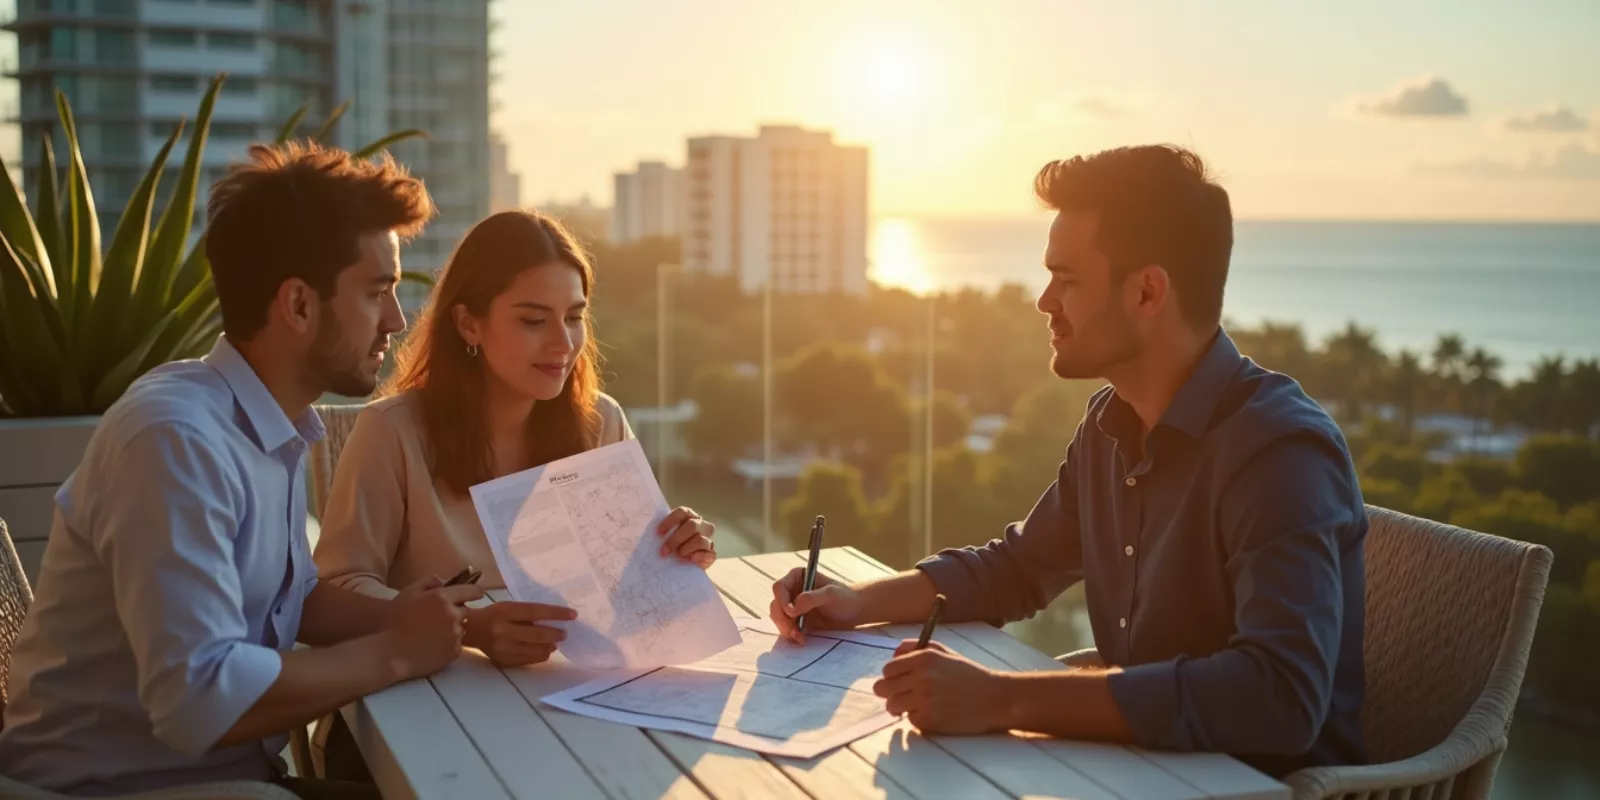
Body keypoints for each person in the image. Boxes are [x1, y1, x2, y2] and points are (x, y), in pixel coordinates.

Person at [770, 145, 1367, 778]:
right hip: (1130, 771)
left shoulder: (1278, 452)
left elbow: (1279, 699)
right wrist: (857, 601)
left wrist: (1003, 698)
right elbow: (1020, 569)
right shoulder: (1111, 423)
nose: (1044, 301)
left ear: (1146, 291)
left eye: (1068, 278)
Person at [0, 142, 482, 799]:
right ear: (299, 305)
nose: (397, 322)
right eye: (378, 293)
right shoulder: (175, 441)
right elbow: (198, 699)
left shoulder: (268, 426)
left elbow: (293, 600)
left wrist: (447, 624)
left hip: (224, 780)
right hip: (114, 791)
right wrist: (396, 651)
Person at [313, 209, 718, 671]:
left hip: (569, 690)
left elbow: (629, 584)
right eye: (533, 321)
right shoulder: (392, 431)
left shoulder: (600, 421)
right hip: (429, 697)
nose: (563, 343)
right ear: (469, 324)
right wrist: (469, 626)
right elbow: (338, 587)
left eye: (573, 317)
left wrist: (676, 551)